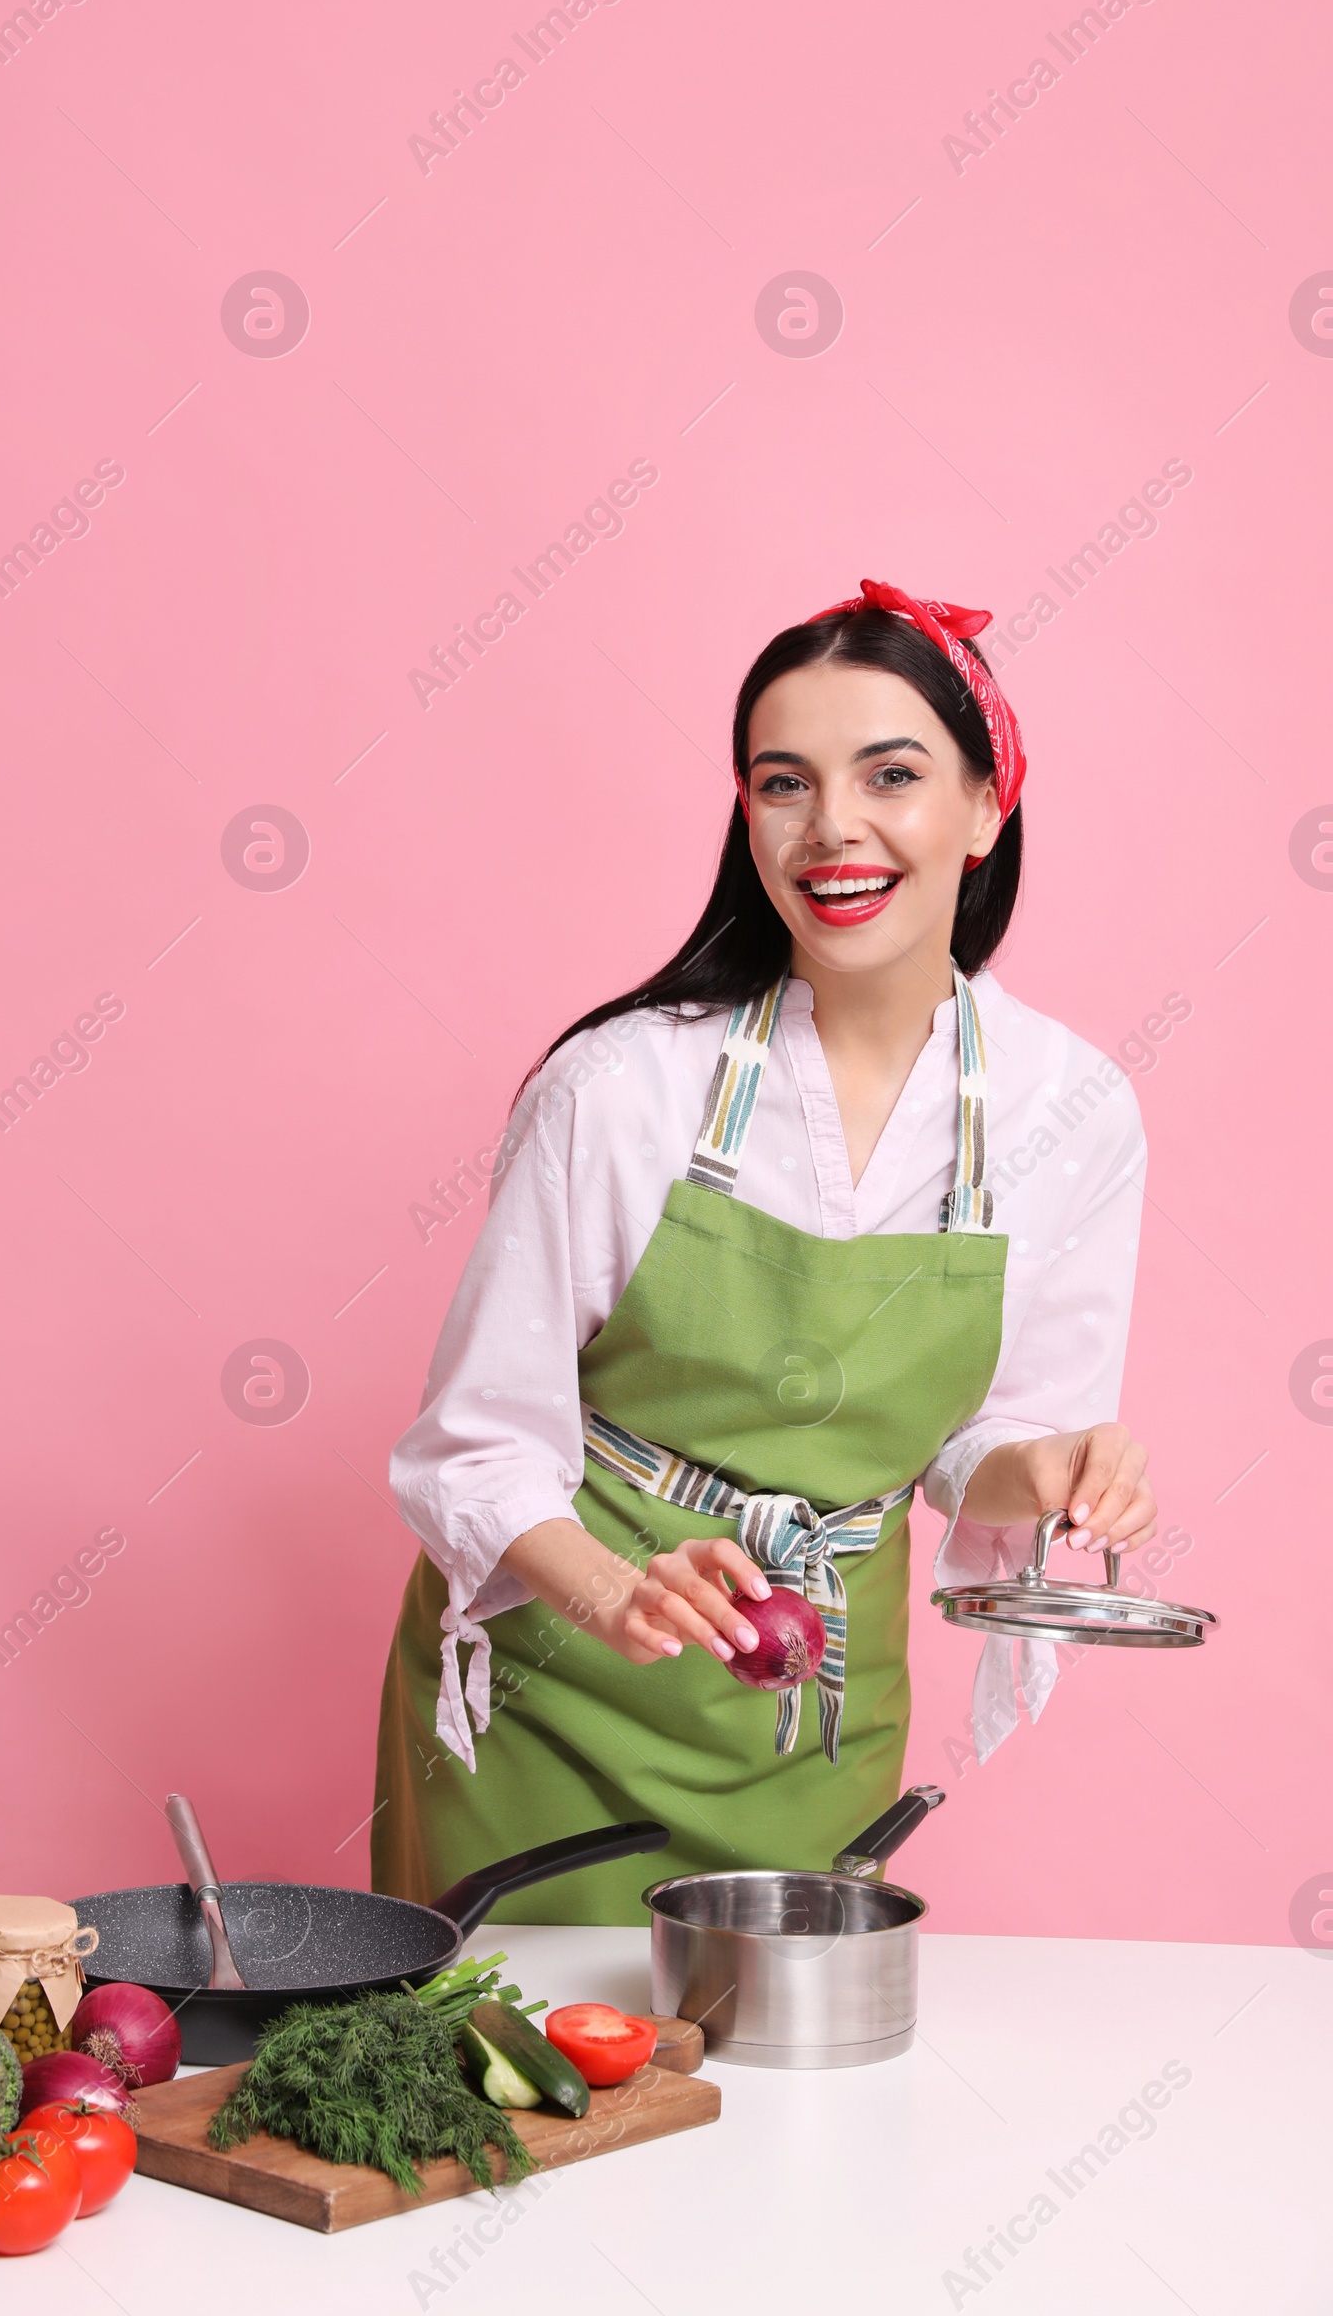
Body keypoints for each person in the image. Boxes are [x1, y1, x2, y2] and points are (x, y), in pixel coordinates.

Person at [371, 582, 1156, 1922]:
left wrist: (1057, 1467)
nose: (833, 826)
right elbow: (476, 1443)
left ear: (985, 804)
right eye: (783, 783)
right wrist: (616, 1593)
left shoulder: (1071, 1110)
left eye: (891, 775)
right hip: (554, 1720)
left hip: (813, 1737)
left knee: (774, 2100)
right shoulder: (618, 1089)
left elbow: (982, 1448)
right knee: (529, 2106)